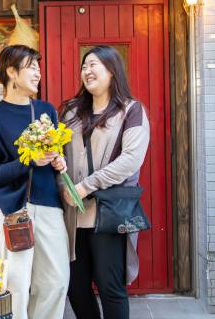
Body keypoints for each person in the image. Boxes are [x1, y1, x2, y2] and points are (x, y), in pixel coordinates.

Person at [0, 44, 70, 319]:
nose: (38, 73)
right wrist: (28, 161)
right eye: (32, 67)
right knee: (15, 288)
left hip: (49, 207)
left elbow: (52, 153)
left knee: (56, 282)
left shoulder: (46, 110)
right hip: (12, 212)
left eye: (39, 67)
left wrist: (57, 161)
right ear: (11, 73)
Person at [59, 45, 150, 319]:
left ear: (112, 70)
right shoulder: (71, 112)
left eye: (93, 64)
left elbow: (130, 160)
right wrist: (62, 183)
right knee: (75, 286)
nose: (86, 70)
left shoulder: (131, 110)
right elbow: (58, 153)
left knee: (110, 287)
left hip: (108, 214)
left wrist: (87, 185)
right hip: (73, 216)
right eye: (84, 66)